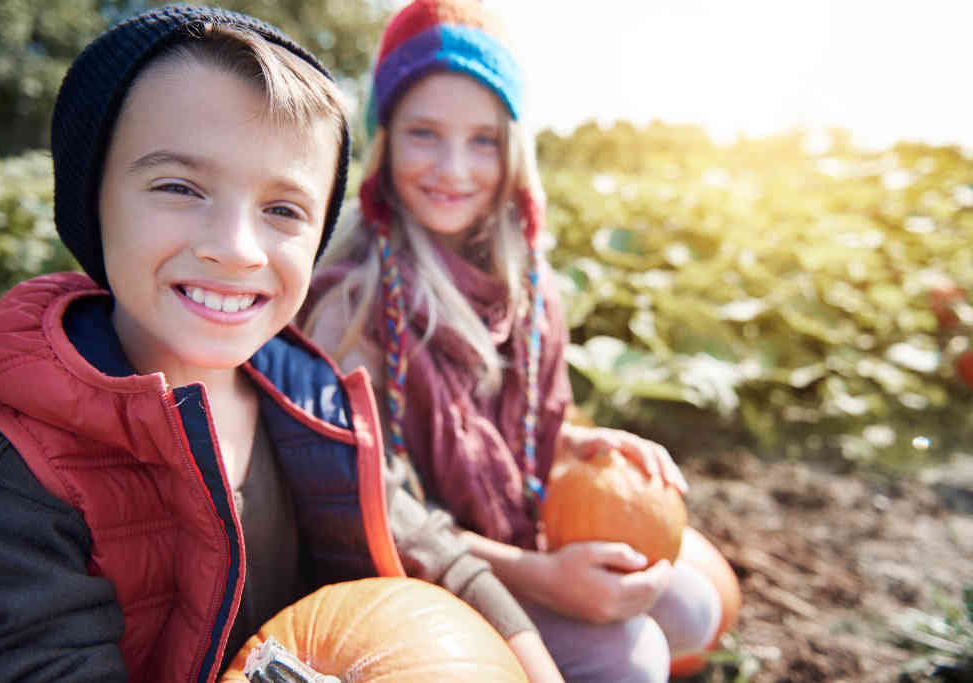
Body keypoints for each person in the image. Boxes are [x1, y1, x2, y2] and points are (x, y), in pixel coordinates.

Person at [0, 6, 564, 681]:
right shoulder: (7, 467)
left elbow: (434, 550)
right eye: (179, 188)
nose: (238, 249)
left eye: (282, 210)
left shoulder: (311, 399)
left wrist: (535, 666)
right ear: (91, 196)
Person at [301, 1, 734, 680]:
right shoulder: (353, 303)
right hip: (415, 573)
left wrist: (574, 444)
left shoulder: (525, 279)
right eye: (424, 133)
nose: (454, 168)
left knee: (693, 607)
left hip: (505, 532)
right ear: (385, 140)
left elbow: (520, 427)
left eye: (483, 140)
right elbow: (376, 515)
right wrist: (540, 577)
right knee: (635, 655)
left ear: (513, 149)